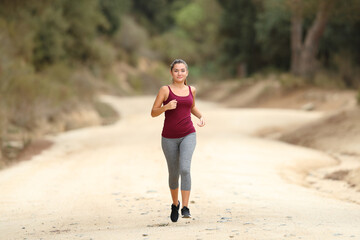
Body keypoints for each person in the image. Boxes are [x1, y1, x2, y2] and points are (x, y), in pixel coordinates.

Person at [151, 59, 205, 222]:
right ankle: (175, 204)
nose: (179, 73)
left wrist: (201, 116)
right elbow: (153, 112)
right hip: (168, 138)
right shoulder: (165, 90)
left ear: (187, 73)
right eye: (176, 70)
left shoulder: (191, 90)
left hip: (188, 133)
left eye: (182, 70)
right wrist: (166, 107)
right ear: (171, 73)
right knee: (173, 174)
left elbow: (191, 106)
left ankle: (185, 207)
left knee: (185, 169)